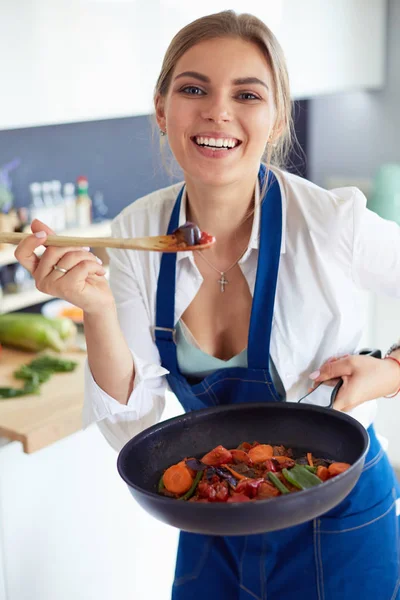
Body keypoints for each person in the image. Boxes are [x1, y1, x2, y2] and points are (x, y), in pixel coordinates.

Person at [14, 10, 400, 600]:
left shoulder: (330, 223)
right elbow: (135, 421)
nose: (217, 111)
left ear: (275, 119)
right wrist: (96, 308)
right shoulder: (138, 232)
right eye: (193, 89)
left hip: (336, 507)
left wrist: (393, 371)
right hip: (213, 506)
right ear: (161, 109)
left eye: (246, 94)